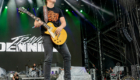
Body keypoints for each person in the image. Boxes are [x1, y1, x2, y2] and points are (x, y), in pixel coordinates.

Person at [34, 0, 71, 80]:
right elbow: (35, 23)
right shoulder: (41, 9)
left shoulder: (58, 10)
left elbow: (63, 23)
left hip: (57, 36)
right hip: (47, 35)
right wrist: (38, 23)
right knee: (48, 58)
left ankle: (67, 78)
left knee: (67, 55)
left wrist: (60, 28)